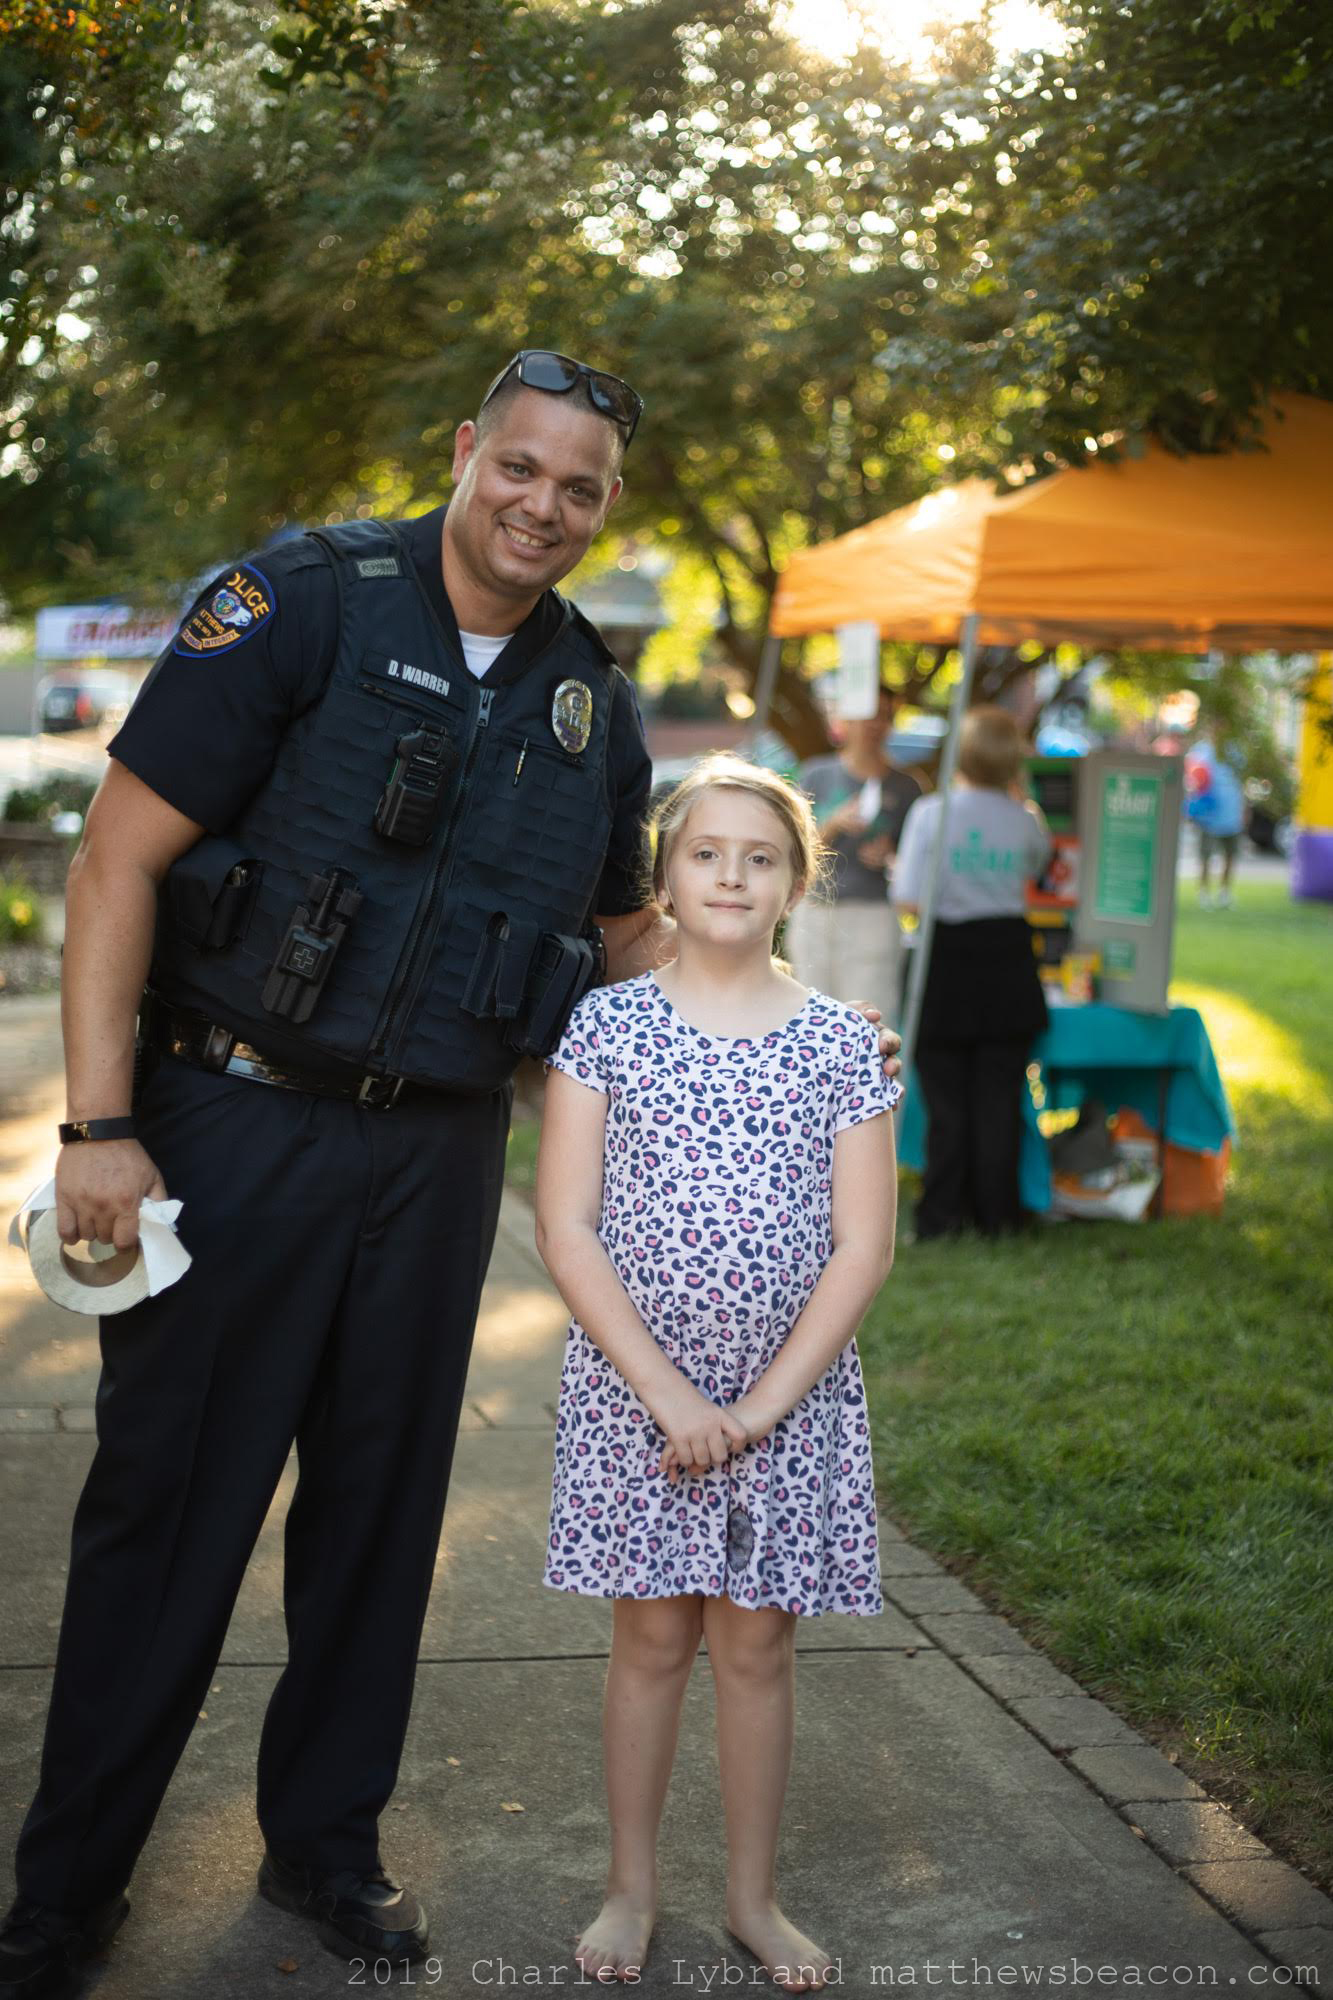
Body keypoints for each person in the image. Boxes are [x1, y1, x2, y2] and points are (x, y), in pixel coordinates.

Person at [1, 352, 904, 2000]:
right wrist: (98, 1127)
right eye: (523, 469)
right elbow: (116, 857)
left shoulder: (591, 704)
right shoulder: (300, 600)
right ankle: (66, 1890)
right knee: (168, 1515)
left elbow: (631, 934)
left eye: (580, 489)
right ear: (466, 452)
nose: (542, 507)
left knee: (377, 1514)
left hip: (433, 1151)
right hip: (232, 1121)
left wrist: (805, 1023)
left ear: (602, 509)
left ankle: (323, 1848)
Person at [534, 754, 900, 1992]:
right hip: (641, 1397)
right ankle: (630, 1884)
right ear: (666, 878)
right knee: (648, 1640)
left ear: (796, 880)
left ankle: (752, 1895)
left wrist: (754, 1407)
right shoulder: (606, 1025)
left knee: (753, 1648)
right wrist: (673, 1396)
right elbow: (567, 1228)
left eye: (759, 855)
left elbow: (862, 1246)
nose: (732, 873)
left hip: (783, 1401)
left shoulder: (845, 1046)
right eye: (706, 853)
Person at [891, 706, 1051, 1241]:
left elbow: (907, 897)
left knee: (946, 1101)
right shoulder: (1025, 817)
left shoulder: (932, 813)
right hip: (1007, 957)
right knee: (999, 1097)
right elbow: (1040, 862)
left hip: (945, 958)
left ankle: (941, 1216)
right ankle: (998, 1214)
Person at [786, 683, 922, 1019]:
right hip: (816, 911)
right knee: (809, 1016)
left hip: (874, 913)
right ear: (846, 718)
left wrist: (890, 856)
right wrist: (832, 825)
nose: (875, 724)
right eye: (867, 714)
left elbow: (918, 862)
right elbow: (791, 853)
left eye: (885, 715)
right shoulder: (816, 774)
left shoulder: (907, 787)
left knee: (872, 1019)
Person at [1184, 721, 1246, 909]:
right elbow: (1193, 778)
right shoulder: (1201, 751)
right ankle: (1204, 892)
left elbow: (1241, 781)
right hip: (1209, 816)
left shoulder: (1234, 752)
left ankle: (1224, 893)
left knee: (1230, 855)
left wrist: (1244, 809)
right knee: (1206, 856)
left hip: (1232, 813)